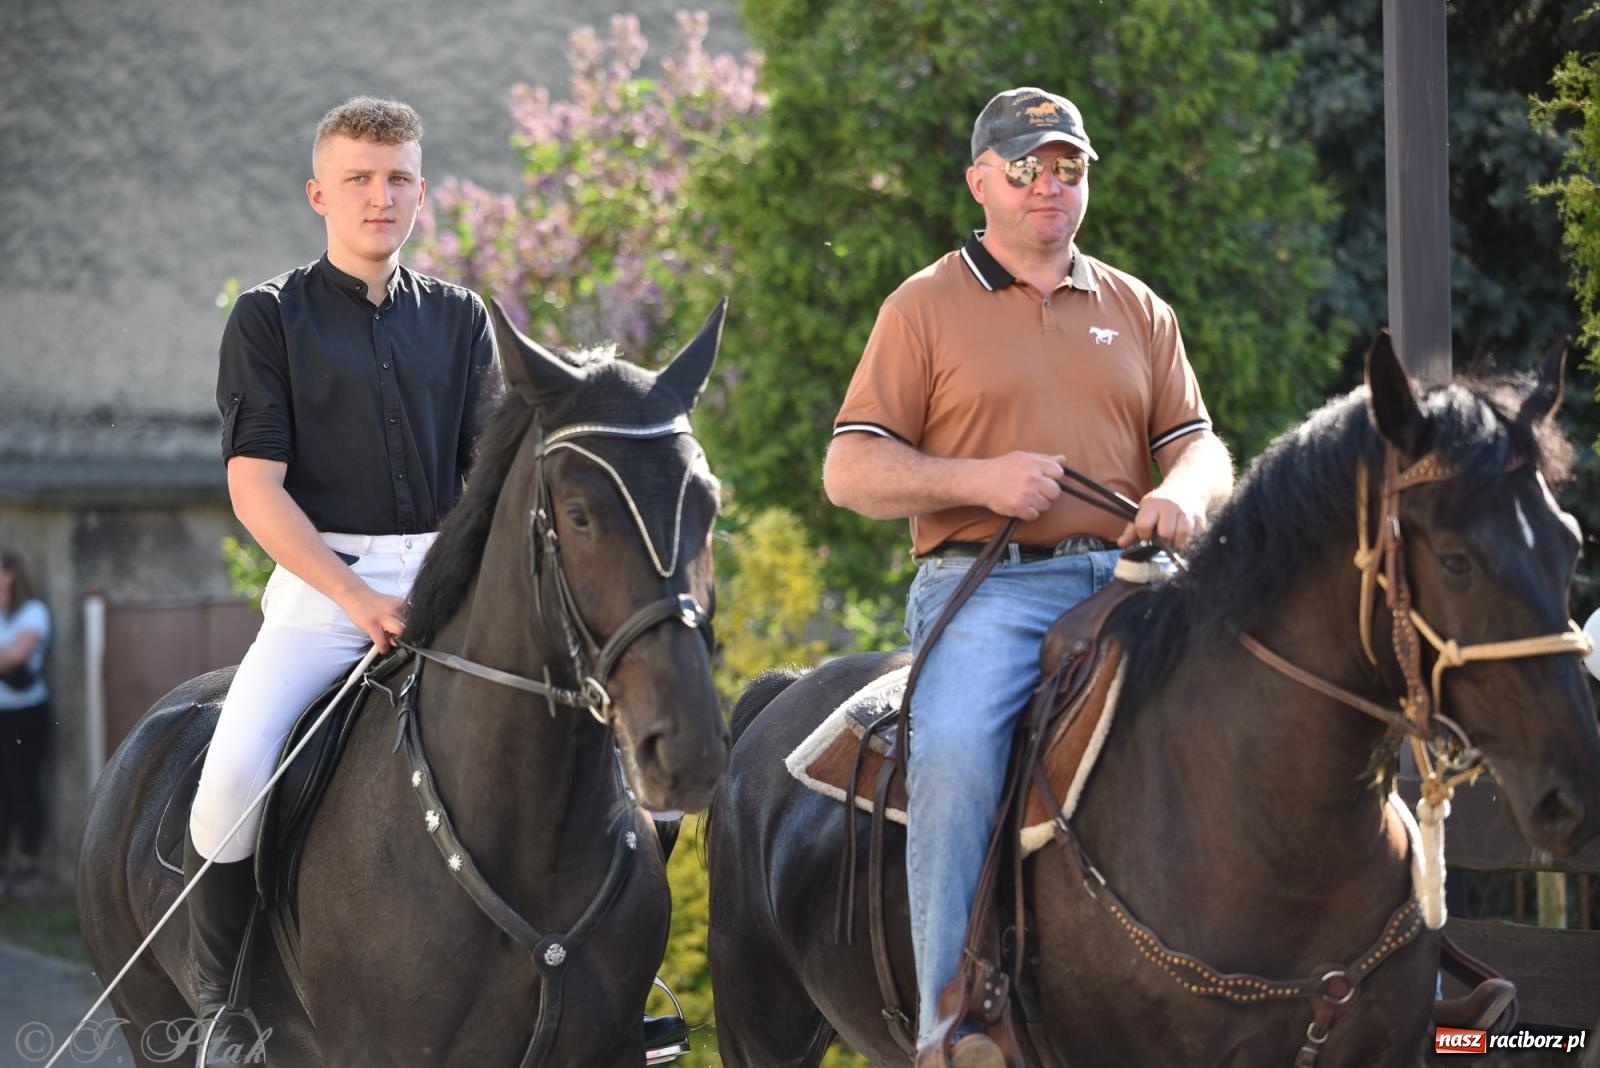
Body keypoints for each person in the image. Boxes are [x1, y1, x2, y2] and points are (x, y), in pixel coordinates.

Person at [822, 87, 1234, 1068]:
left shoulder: (1137, 308)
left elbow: (1202, 446)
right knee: (959, 749)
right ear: (980, 181)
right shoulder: (922, 305)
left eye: (1068, 167)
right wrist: (978, 479)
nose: (1048, 184)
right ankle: (947, 1024)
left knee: (1261, 707)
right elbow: (849, 470)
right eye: (1026, 166)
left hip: (1135, 582)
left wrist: (1181, 491)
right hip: (989, 589)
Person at [189, 96, 500, 1066]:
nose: (381, 195)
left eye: (399, 176)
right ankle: (221, 1011)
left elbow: (486, 485)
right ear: (318, 193)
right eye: (360, 178)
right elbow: (254, 491)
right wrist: (359, 599)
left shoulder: (461, 319)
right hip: (323, 593)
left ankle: (611, 982)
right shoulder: (268, 319)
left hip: (451, 587)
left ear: (422, 191)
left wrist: (454, 591)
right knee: (232, 777)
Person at [0, 548, 52, 900]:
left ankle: (27, 862)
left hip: (25, 715)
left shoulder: (33, 611)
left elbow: (19, 656)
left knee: (23, 786)